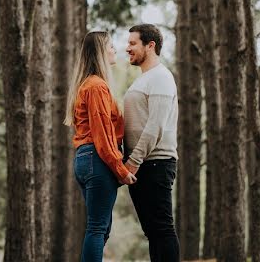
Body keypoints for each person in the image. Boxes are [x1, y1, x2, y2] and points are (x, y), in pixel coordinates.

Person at [65, 30, 137, 262]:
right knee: (97, 228)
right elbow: (103, 136)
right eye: (111, 46)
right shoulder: (96, 86)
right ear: (100, 52)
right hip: (97, 160)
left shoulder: (88, 85)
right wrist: (121, 169)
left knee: (100, 228)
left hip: (87, 160)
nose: (115, 50)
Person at [123, 23, 180, 262]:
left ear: (151, 45)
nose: (128, 48)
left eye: (133, 43)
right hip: (143, 165)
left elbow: (155, 125)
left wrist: (133, 162)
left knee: (162, 230)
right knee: (153, 232)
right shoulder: (145, 79)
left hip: (155, 163)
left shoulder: (161, 77)